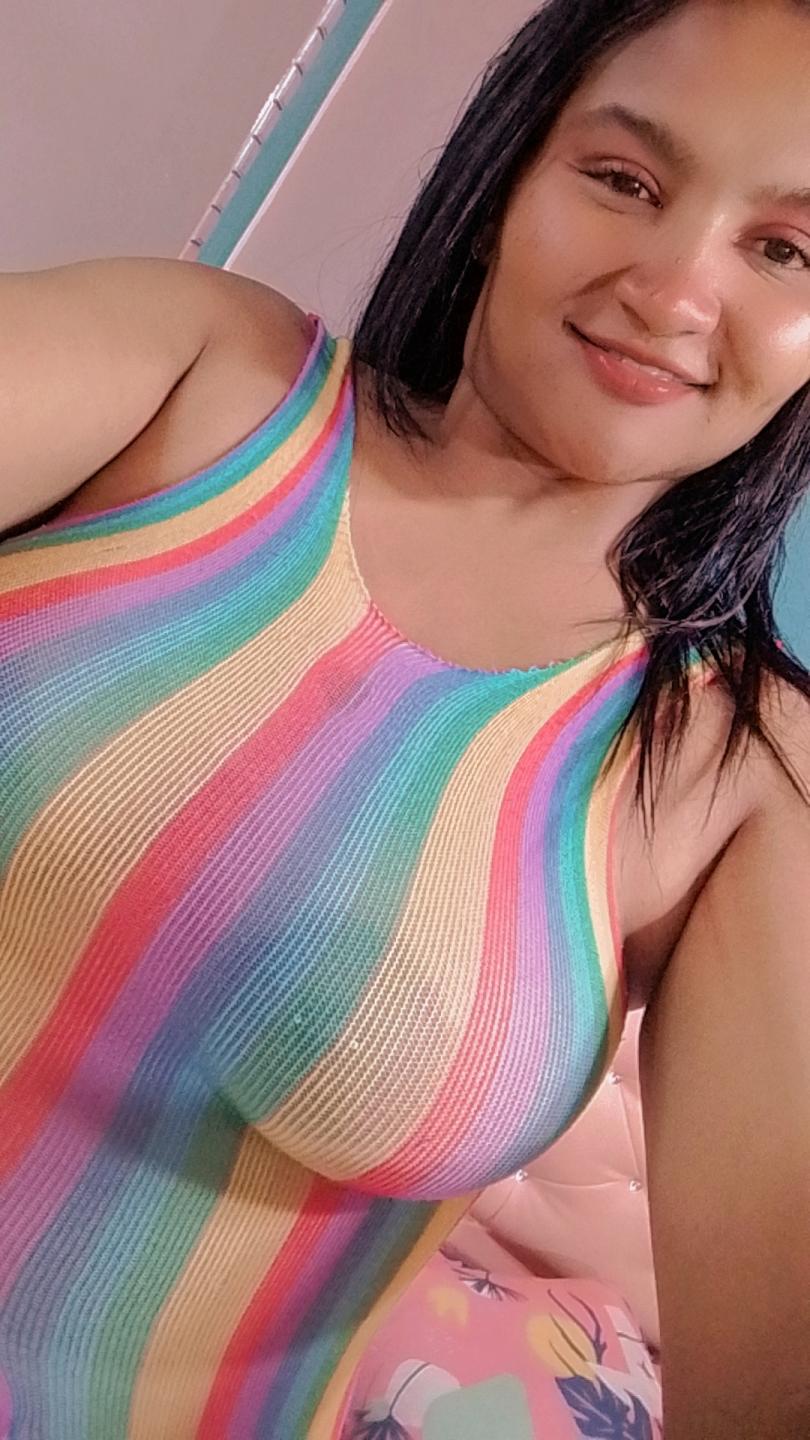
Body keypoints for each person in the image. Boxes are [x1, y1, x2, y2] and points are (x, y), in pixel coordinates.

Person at [1, 0, 809, 1435]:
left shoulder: (739, 778)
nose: (674, 290)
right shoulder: (200, 370)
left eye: (786, 250)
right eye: (623, 179)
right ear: (506, 175)